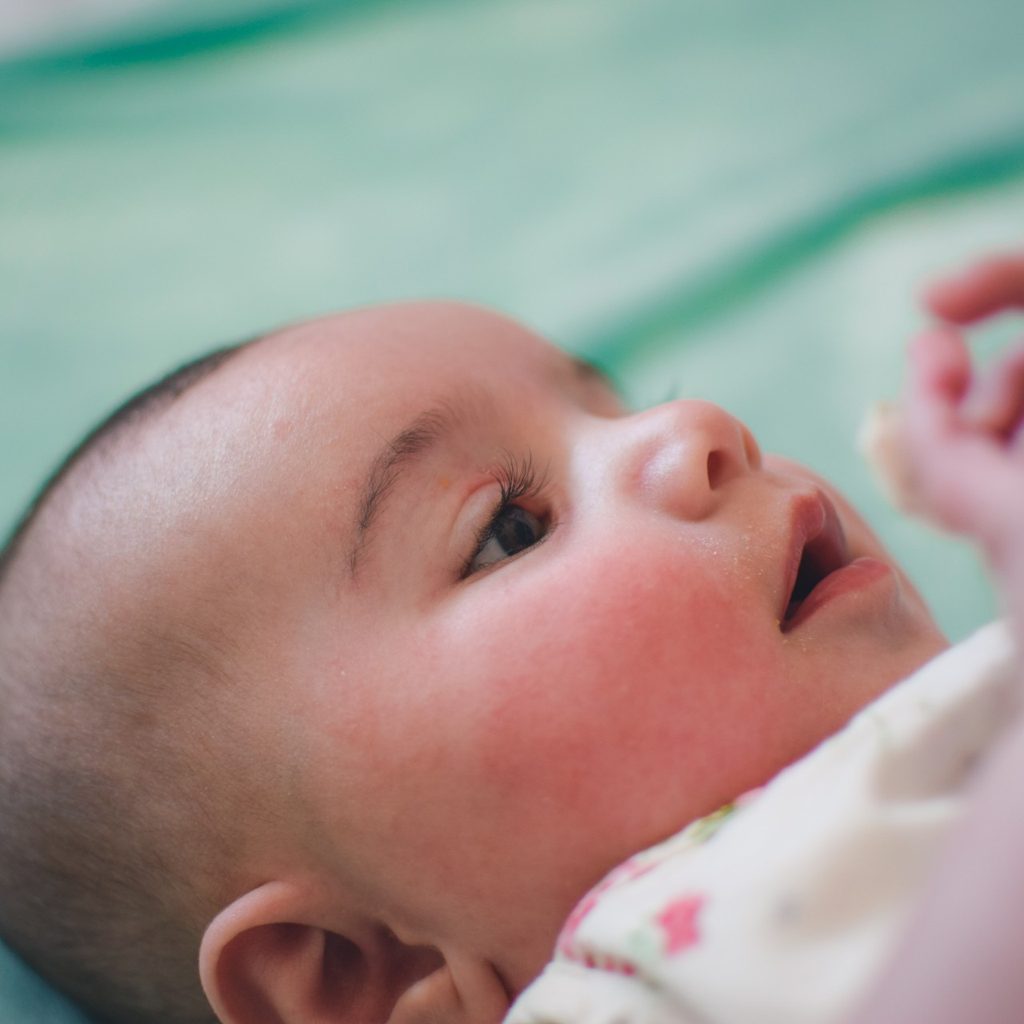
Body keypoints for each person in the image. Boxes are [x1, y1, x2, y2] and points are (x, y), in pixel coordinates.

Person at [0, 251, 1013, 1024]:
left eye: (625, 405)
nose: (699, 427)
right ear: (351, 968)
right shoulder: (632, 977)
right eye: (510, 527)